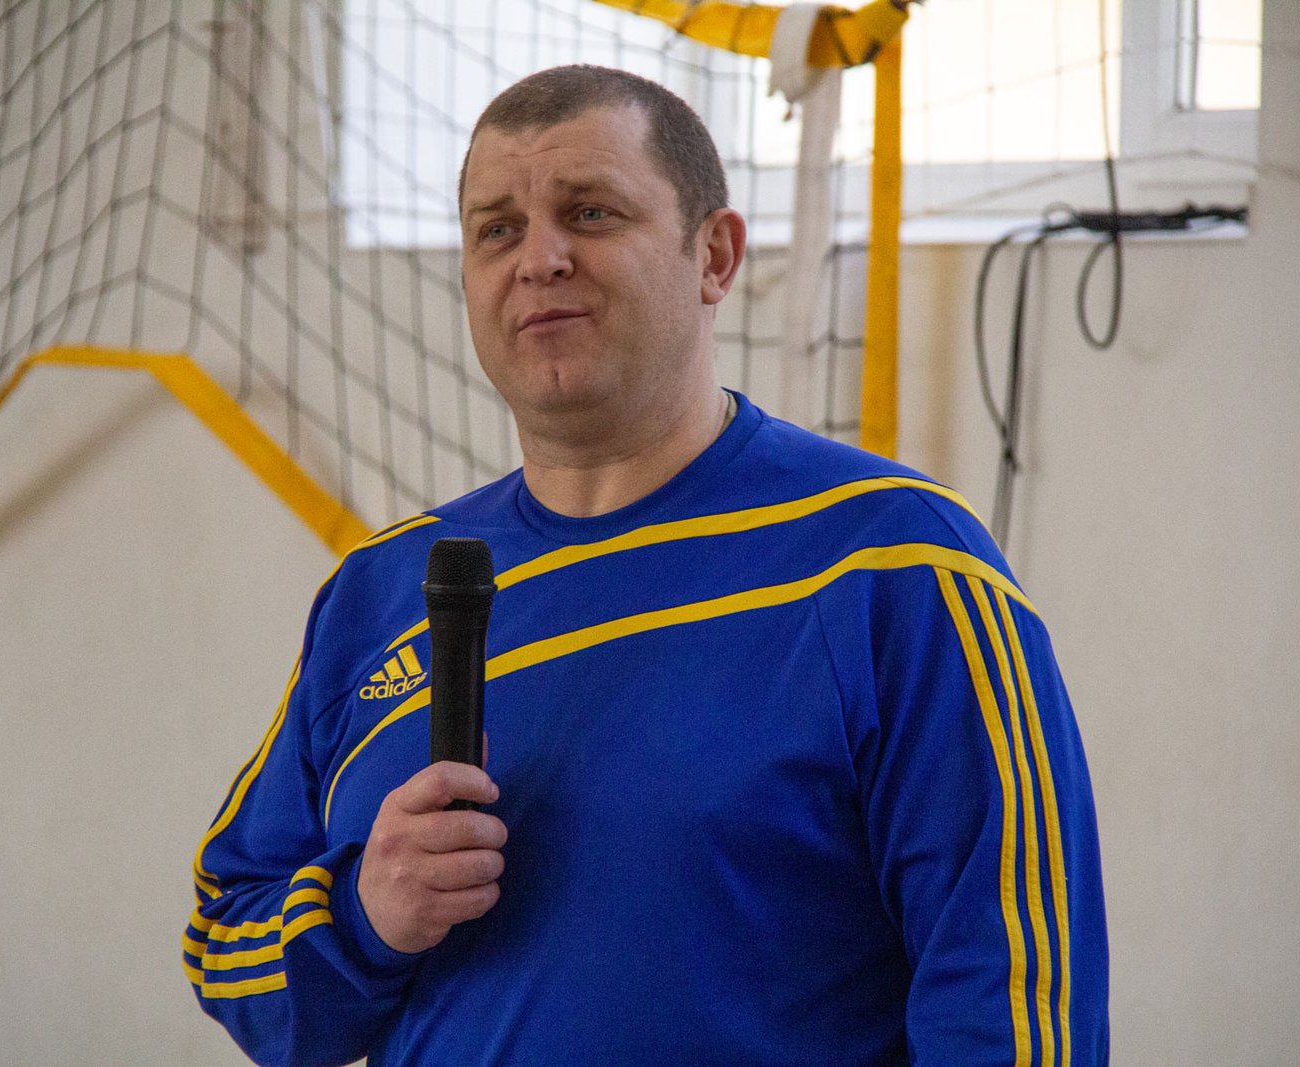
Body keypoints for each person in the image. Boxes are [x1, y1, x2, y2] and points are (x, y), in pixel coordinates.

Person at [183, 65, 1108, 1066]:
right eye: (497, 229)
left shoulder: (897, 565)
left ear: (714, 255)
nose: (540, 259)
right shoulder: (380, 592)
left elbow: (1015, 1000)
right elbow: (225, 940)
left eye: (590, 212)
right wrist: (363, 914)